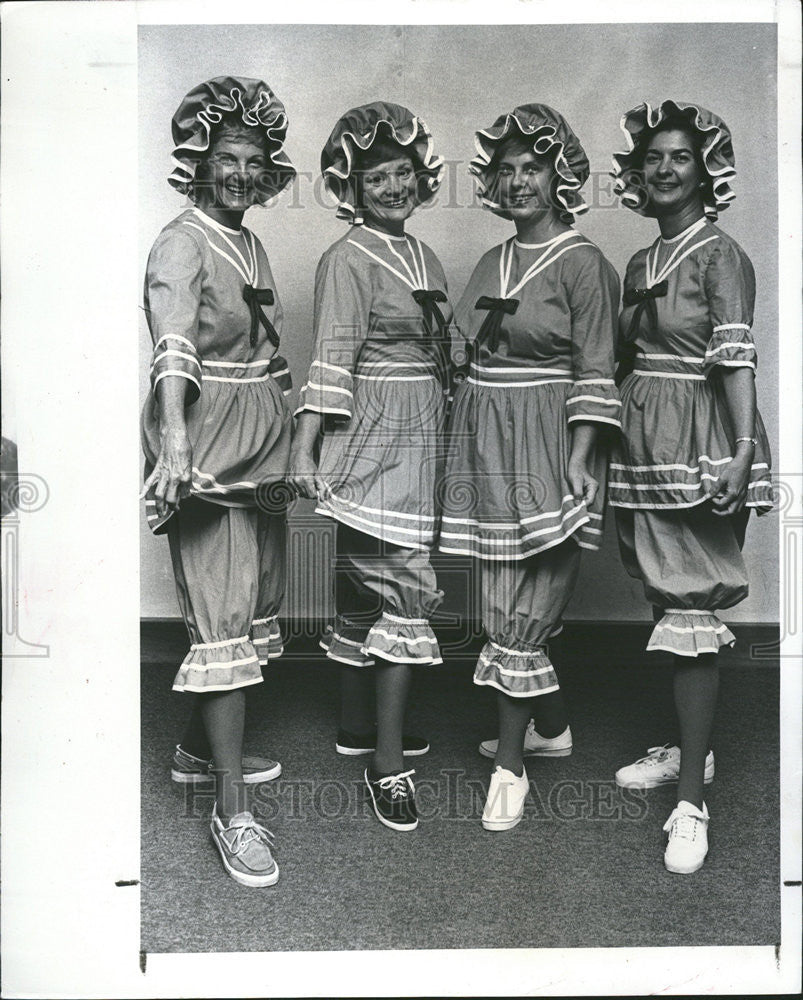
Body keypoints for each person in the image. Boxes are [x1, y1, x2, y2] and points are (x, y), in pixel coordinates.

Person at [440, 104, 621, 830]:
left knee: (523, 601)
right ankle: (551, 729)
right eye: (504, 169)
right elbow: (459, 349)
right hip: (484, 435)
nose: (516, 182)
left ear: (561, 175)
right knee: (498, 586)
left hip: (547, 438)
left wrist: (581, 457)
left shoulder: (584, 264)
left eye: (532, 168)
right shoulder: (492, 259)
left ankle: (508, 767)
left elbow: (597, 370)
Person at [609, 99, 773, 873]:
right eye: (654, 158)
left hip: (702, 439)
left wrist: (740, 452)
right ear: (637, 173)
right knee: (664, 599)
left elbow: (734, 360)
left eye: (681, 157)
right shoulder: (641, 262)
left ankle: (691, 805)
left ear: (706, 169)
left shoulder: (719, 255)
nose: (666, 169)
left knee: (690, 605)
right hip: (643, 437)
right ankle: (689, 751)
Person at [141, 77, 296, 887]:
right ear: (197, 165)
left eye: (251, 160)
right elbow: (173, 346)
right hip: (205, 445)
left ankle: (198, 753)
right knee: (221, 610)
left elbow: (262, 348)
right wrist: (173, 443)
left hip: (260, 443)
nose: (238, 173)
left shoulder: (250, 242)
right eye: (224, 158)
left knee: (254, 595)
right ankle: (232, 812)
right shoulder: (182, 241)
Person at [289, 102, 452, 832]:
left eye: (401, 172)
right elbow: (331, 356)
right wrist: (305, 448)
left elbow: (439, 352)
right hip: (375, 435)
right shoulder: (347, 257)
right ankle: (387, 762)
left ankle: (359, 726)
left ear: (421, 178)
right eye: (374, 176)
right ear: (348, 190)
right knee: (399, 590)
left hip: (423, 437)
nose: (391, 185)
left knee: (369, 587)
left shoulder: (423, 254)